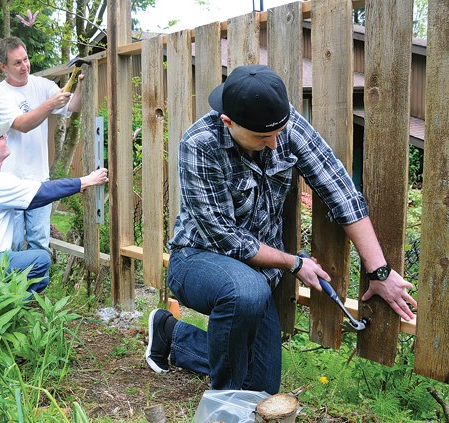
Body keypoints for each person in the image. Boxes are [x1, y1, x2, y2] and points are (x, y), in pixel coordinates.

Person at [145, 64, 417, 394]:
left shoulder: (282, 123)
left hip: (258, 276)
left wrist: (380, 272)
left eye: (279, 132)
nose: (276, 144)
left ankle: (170, 333)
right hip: (198, 258)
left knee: (261, 387)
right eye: (262, 137)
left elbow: (339, 189)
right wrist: (294, 263)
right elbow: (227, 238)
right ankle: (226, 403)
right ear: (228, 122)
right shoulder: (200, 144)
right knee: (245, 292)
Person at [0, 121, 107, 297]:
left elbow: (33, 200)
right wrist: (86, 181)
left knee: (40, 279)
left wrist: (73, 187)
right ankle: (4, 309)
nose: (5, 136)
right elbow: (41, 192)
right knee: (40, 259)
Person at [0, 36, 84, 253]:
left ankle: (36, 287)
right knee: (12, 242)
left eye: (26, 59)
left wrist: (80, 85)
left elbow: (73, 107)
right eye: (17, 63)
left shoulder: (43, 85)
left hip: (39, 178)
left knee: (39, 241)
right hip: (10, 179)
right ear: (3, 66)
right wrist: (50, 104)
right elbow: (22, 124)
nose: (25, 66)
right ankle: (12, 286)